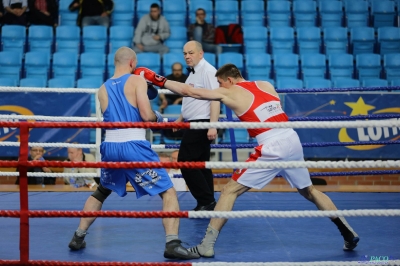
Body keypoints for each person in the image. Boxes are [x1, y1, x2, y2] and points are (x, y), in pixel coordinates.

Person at [134, 63, 360, 256]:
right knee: (309, 190)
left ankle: (206, 246)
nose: (219, 89)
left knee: (229, 191)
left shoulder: (231, 91)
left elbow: (191, 92)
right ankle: (347, 231)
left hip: (272, 145)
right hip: (291, 138)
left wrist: (159, 80)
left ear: (229, 80)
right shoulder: (265, 85)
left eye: (221, 84)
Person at [67, 46, 199, 260]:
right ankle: (172, 243)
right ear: (131, 63)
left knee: (102, 190)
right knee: (168, 191)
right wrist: (162, 120)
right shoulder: (136, 80)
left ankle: (78, 236)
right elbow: (146, 116)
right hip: (133, 145)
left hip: (110, 147)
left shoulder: (102, 88)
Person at [147, 40, 220, 211]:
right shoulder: (194, 72)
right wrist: (181, 119)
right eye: (185, 53)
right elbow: (190, 99)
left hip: (202, 123)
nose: (187, 56)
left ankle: (206, 200)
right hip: (194, 122)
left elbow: (215, 99)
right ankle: (208, 202)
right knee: (200, 164)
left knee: (186, 162)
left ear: (201, 53)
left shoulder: (208, 71)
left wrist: (213, 125)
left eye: (191, 53)